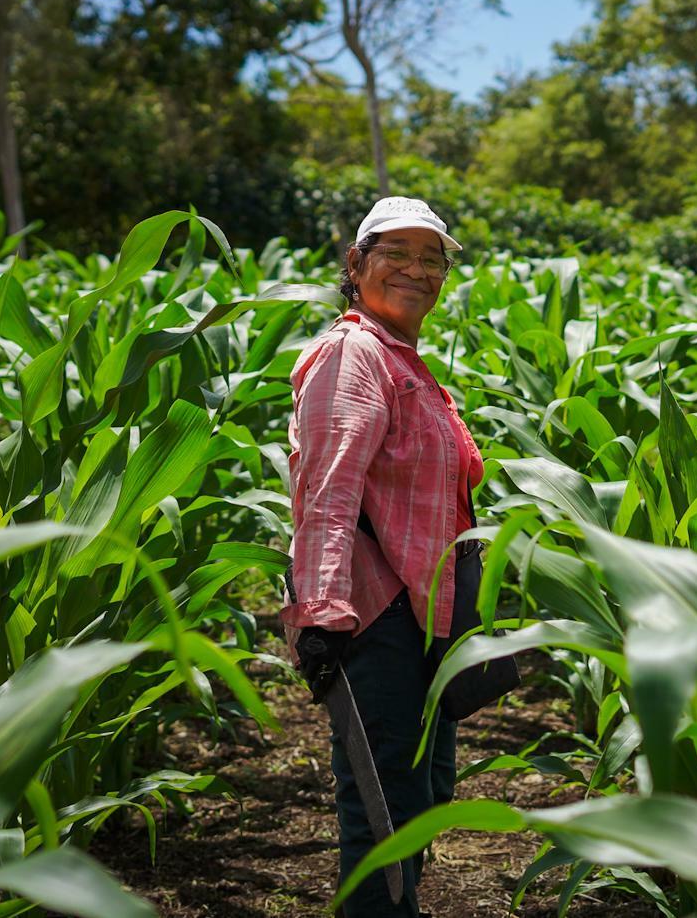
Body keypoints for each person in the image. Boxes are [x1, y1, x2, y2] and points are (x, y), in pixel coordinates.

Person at [281, 195, 483, 918]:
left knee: (421, 799)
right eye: (395, 253)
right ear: (355, 264)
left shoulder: (408, 363)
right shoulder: (354, 353)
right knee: (383, 817)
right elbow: (327, 492)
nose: (417, 270)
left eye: (432, 258)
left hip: (425, 615)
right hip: (375, 617)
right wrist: (324, 616)